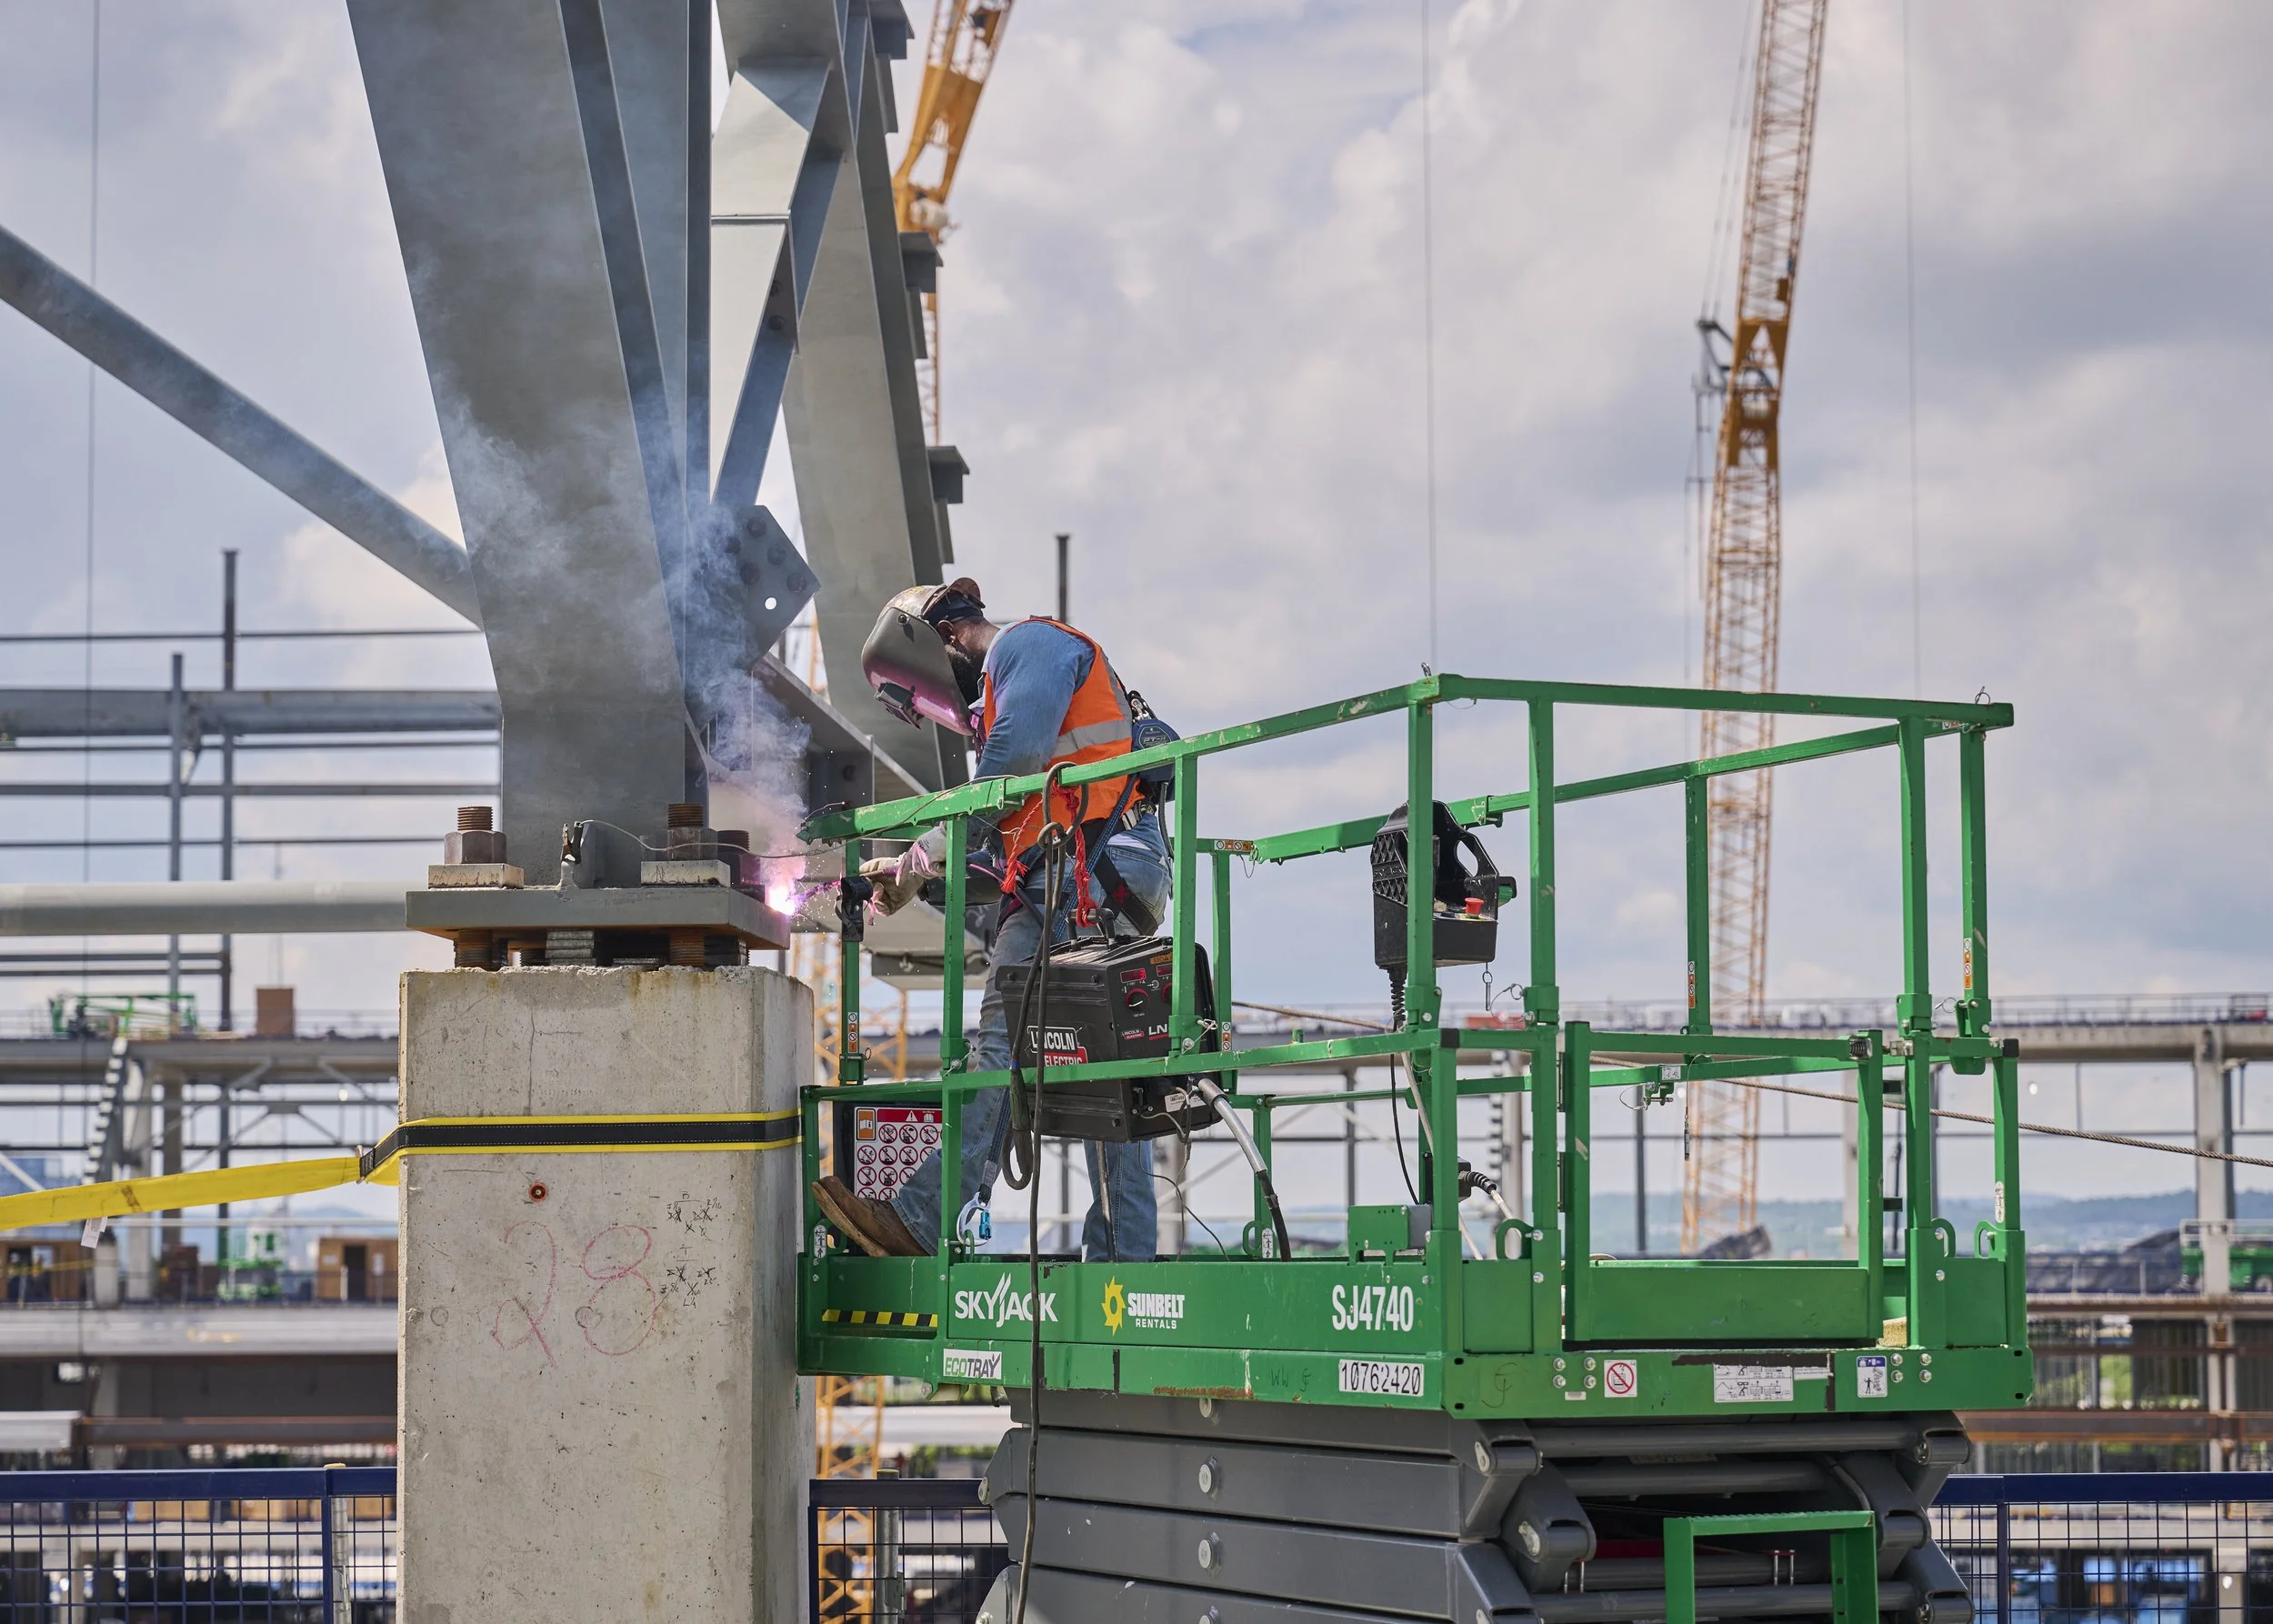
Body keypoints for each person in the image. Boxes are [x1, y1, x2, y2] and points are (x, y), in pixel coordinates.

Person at [810, 577, 1170, 1263]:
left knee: (1001, 1049)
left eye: (922, 695)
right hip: (1098, 872)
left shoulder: (1029, 647)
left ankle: (922, 1216)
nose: (945, 712)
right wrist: (912, 875)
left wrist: (922, 855)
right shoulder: (1024, 680)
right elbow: (1007, 848)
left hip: (1085, 874)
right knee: (1107, 1077)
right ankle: (1126, 1260)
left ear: (941, 640)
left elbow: (1008, 773)